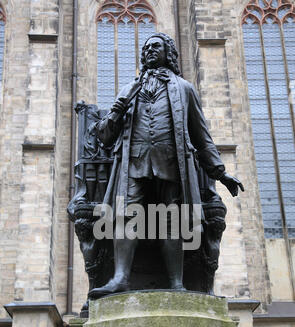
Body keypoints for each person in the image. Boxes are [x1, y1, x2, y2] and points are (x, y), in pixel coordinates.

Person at [89, 32, 244, 298]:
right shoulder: (128, 89)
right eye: (146, 47)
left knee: (172, 220)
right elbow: (104, 137)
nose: (150, 50)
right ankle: (120, 278)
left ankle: (176, 284)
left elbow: (201, 135)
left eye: (156, 46)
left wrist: (221, 173)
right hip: (134, 163)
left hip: (171, 164)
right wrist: (116, 110)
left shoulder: (184, 88)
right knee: (126, 215)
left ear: (167, 52)